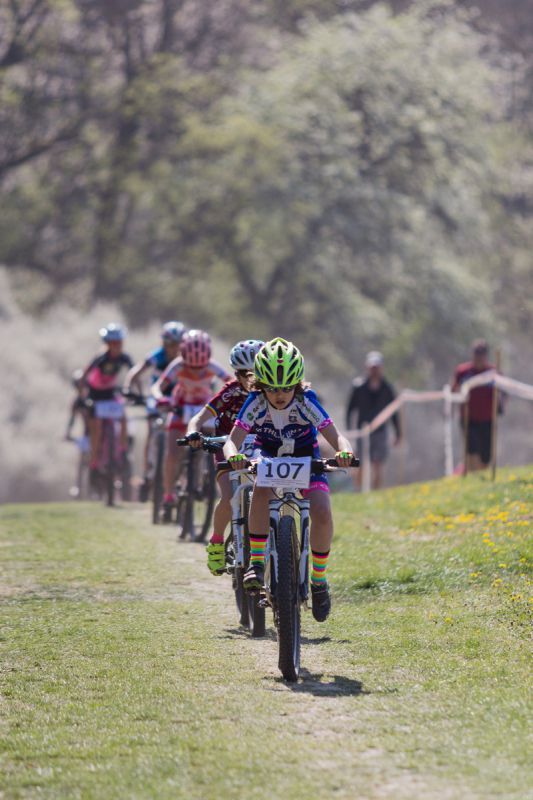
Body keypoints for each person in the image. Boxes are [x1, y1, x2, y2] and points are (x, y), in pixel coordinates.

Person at [223, 337, 354, 623]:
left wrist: (344, 451)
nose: (279, 395)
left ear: (296, 384)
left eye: (286, 388)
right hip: (268, 453)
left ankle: (318, 580)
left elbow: (336, 436)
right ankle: (257, 563)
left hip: (306, 455)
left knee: (322, 510)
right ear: (261, 386)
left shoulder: (306, 400)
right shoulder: (256, 402)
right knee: (261, 489)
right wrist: (234, 456)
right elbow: (232, 441)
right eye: (272, 388)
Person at [185, 339, 265, 575]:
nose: (251, 379)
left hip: (259, 448)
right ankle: (217, 542)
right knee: (230, 497)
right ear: (236, 374)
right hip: (227, 446)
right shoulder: (230, 392)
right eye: (245, 373)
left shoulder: (271, 393)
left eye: (256, 372)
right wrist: (193, 432)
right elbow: (199, 418)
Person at [151, 329, 231, 522]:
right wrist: (160, 398)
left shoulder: (212, 366)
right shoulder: (177, 365)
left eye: (200, 367)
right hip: (180, 407)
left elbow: (231, 382)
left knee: (214, 444)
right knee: (172, 453)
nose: (196, 371)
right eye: (191, 367)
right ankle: (168, 495)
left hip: (203, 409)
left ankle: (204, 475)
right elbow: (158, 386)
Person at [123, 321, 187, 498]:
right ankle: (147, 474)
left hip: (178, 399)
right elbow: (135, 372)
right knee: (152, 433)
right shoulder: (157, 356)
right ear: (164, 343)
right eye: (170, 344)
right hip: (157, 398)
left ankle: (180, 473)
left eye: (177, 344)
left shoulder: (187, 358)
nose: (173, 348)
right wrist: (129, 389)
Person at [81, 324, 134, 487]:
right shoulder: (100, 358)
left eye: (119, 342)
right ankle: (94, 463)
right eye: (113, 343)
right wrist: (83, 396)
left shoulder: (124, 357)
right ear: (107, 343)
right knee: (96, 429)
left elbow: (133, 373)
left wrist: (134, 391)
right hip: (95, 395)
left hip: (110, 394)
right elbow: (84, 376)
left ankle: (123, 452)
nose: (117, 346)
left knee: (123, 418)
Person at [345, 351, 401, 491]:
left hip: (380, 431)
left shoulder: (387, 388)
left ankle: (376, 493)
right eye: (372, 367)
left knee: (378, 464)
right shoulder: (358, 387)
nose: (374, 370)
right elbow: (350, 410)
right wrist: (349, 431)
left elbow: (393, 411)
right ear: (367, 367)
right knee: (359, 463)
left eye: (377, 367)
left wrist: (398, 433)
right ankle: (358, 491)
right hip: (362, 432)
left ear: (381, 368)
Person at [452, 339, 503, 472]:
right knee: (472, 449)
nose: (478, 358)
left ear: (486, 356)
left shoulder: (494, 372)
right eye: (476, 354)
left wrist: (500, 405)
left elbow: (504, 392)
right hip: (469, 418)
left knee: (486, 456)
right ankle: (472, 475)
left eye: (481, 355)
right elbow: (454, 391)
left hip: (488, 419)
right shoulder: (463, 371)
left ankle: (480, 473)